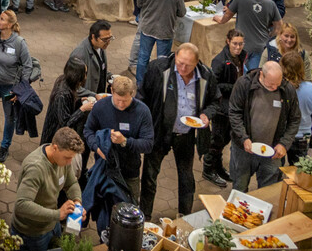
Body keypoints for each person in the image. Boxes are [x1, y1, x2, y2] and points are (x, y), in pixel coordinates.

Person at [137, 43, 219, 217]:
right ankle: (145, 216)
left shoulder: (206, 76)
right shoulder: (158, 69)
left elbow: (215, 102)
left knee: (186, 178)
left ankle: (184, 216)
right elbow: (142, 96)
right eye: (179, 62)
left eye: (188, 65)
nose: (182, 67)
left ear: (197, 62)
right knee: (149, 177)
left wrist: (206, 115)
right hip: (159, 133)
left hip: (186, 135)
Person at [228, 61, 300, 190]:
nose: (275, 88)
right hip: (243, 149)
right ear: (261, 74)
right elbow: (234, 113)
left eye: (278, 84)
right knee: (240, 185)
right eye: (271, 84)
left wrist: (284, 143)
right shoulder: (244, 84)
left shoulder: (287, 89)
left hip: (272, 152)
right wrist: (243, 138)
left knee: (267, 191)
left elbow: (294, 120)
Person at [12, 126, 84, 251]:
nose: (69, 162)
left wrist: (77, 202)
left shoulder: (62, 160)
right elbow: (21, 204)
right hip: (32, 233)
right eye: (67, 158)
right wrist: (57, 214)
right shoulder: (36, 168)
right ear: (55, 147)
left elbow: (72, 183)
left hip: (51, 223)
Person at [83, 76, 154, 206]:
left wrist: (125, 141)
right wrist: (97, 149)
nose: (121, 104)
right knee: (104, 210)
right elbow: (88, 131)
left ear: (132, 94)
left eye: (125, 101)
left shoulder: (142, 111)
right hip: (105, 170)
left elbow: (148, 144)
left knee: (129, 210)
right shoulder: (100, 107)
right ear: (111, 91)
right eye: (118, 100)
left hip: (129, 172)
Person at [0, 9, 33, 163]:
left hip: (9, 87)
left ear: (10, 25)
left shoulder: (19, 43)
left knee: (9, 117)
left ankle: (5, 146)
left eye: (2, 19)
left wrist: (20, 89)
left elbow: (27, 66)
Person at [214, 0, 282, 70]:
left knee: (239, 73)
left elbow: (227, 16)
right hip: (259, 46)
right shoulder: (270, 4)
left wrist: (219, 19)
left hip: (241, 46)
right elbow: (279, 26)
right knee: (253, 74)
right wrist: (270, 35)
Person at [135, 0, 187, 86]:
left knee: (143, 57)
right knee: (162, 61)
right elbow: (182, 13)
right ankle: (159, 85)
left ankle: (140, 84)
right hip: (165, 30)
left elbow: (139, 3)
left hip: (147, 27)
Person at [207, 29, 246, 187]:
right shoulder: (219, 61)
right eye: (235, 43)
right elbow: (214, 85)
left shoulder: (242, 56)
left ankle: (218, 167)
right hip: (221, 108)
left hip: (234, 106)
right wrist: (236, 87)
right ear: (228, 42)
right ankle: (208, 169)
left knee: (226, 139)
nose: (238, 47)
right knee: (217, 139)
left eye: (241, 44)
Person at [281, 52, 312, 165]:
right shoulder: (311, 88)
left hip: (281, 135)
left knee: (275, 171)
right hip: (302, 137)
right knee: (299, 172)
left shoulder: (278, 88)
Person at [40, 56, 92, 146]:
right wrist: (82, 109)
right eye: (84, 73)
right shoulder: (63, 94)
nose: (86, 76)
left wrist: (79, 102)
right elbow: (65, 123)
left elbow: (66, 108)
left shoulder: (64, 80)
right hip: (54, 139)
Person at [68, 20, 114, 97]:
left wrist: (111, 77)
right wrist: (93, 95)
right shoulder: (79, 55)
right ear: (93, 37)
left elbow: (99, 68)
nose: (108, 42)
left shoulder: (101, 46)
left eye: (110, 38)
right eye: (105, 39)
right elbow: (73, 86)